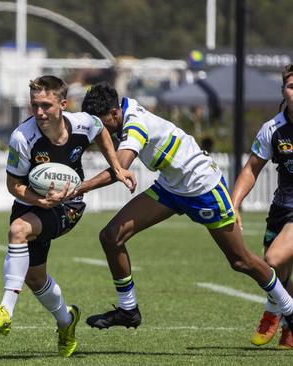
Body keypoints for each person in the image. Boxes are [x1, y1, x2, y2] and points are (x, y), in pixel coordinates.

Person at [79, 82, 293, 335]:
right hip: (171, 187)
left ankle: (289, 309)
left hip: (203, 188)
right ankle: (128, 310)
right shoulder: (120, 111)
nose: (100, 131)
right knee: (111, 235)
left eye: (102, 124)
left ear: (114, 114)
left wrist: (78, 188)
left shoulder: (135, 124)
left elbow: (120, 169)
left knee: (240, 260)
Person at [0, 75, 136, 357]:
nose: (40, 112)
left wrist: (117, 167)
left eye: (47, 105)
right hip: (32, 200)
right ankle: (66, 321)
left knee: (18, 231)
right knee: (35, 278)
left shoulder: (82, 123)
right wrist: (41, 200)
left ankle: (5, 310)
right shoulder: (22, 138)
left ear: (63, 104)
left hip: (69, 204)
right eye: (35, 105)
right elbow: (13, 185)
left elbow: (100, 131)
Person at [231, 63, 293, 349]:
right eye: (292, 87)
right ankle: (289, 327)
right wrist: (234, 204)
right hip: (281, 208)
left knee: (274, 260)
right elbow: (251, 169)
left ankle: (272, 311)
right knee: (279, 267)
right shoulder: (273, 129)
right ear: (283, 91)